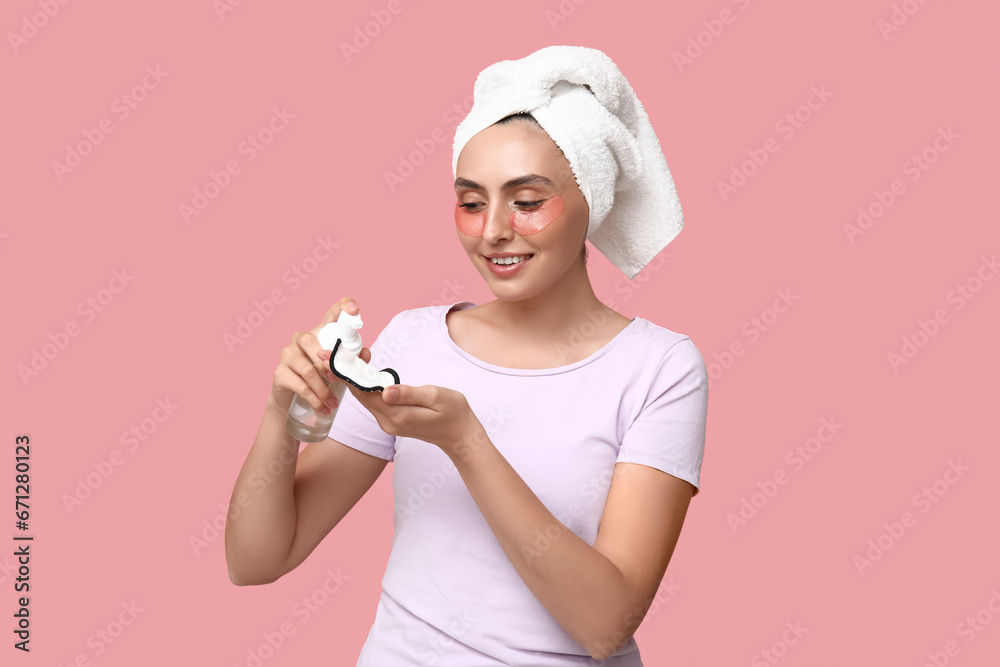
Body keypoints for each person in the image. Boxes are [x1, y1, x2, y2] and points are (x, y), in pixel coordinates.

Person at [225, 47, 708, 666]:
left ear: (592, 199)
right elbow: (256, 560)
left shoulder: (659, 369)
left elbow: (604, 626)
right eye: (472, 201)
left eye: (527, 201)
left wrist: (467, 444)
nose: (491, 231)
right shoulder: (414, 342)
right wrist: (281, 417)